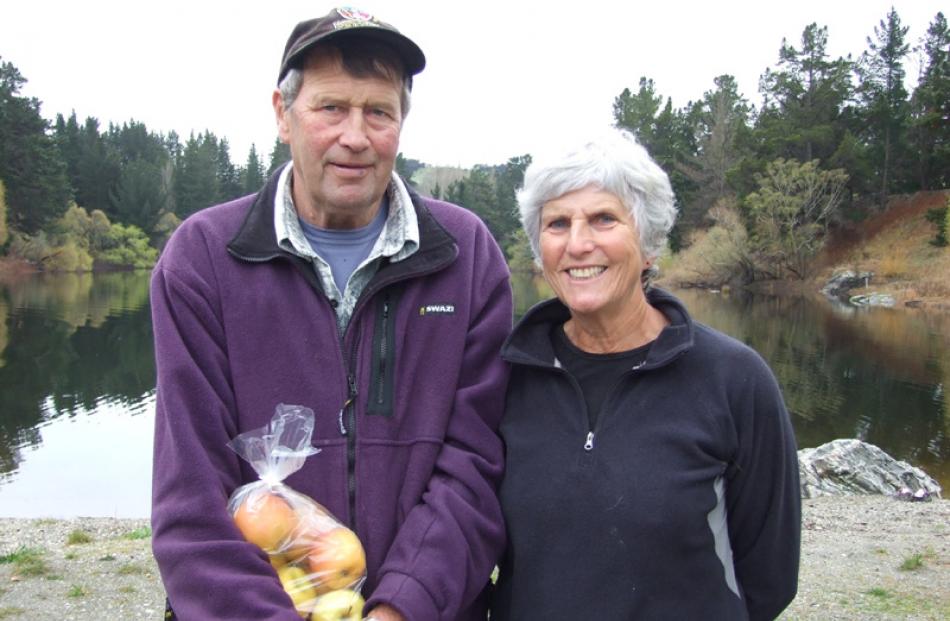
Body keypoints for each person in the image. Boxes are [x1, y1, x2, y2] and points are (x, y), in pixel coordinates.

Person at [149, 8, 512, 620]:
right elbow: (191, 497)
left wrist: (400, 607)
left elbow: (475, 468)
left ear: (401, 122)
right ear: (282, 114)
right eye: (331, 108)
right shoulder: (204, 258)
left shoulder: (466, 254)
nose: (356, 135)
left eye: (379, 111)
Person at [491, 128, 800, 620]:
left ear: (650, 244)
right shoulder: (505, 377)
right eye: (557, 224)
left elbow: (769, 576)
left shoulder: (735, 379)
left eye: (603, 219)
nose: (578, 243)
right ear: (539, 249)